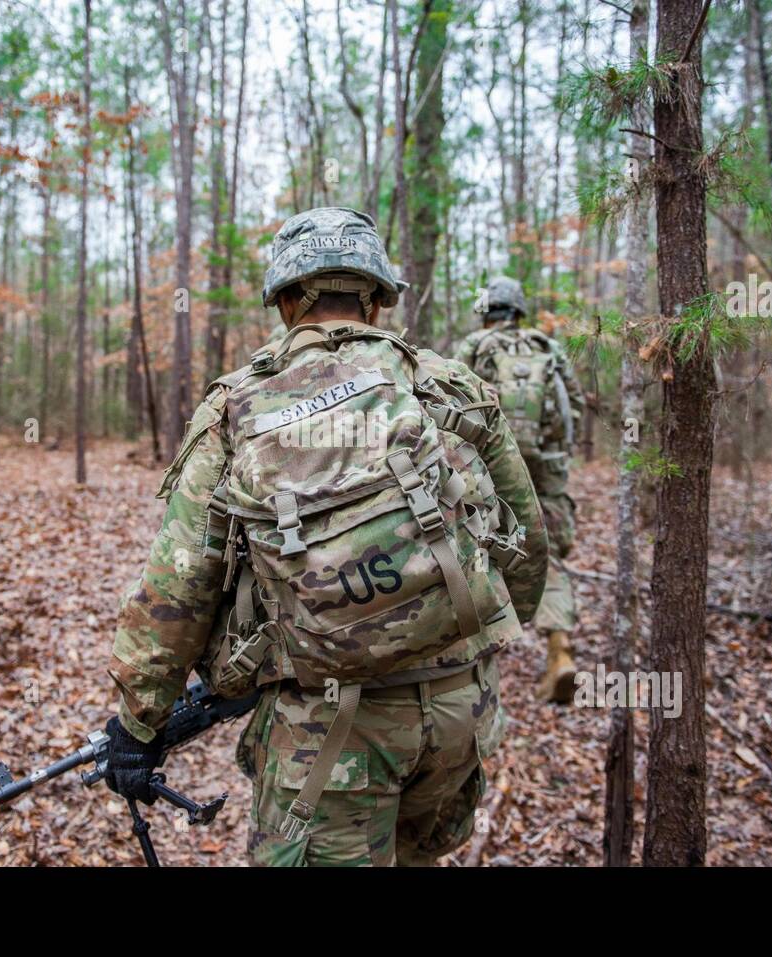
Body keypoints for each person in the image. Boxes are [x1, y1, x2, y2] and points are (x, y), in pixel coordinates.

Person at [100, 207, 549, 866]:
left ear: (285, 299)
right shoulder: (448, 385)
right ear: (374, 296)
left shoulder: (238, 406)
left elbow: (179, 587)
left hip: (330, 738)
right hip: (460, 716)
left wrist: (138, 721)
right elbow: (527, 546)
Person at [457, 276, 584, 703]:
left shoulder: (473, 346)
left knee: (474, 543)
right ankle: (559, 647)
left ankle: (476, 653)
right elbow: (576, 410)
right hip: (546, 467)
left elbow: (448, 405)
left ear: (487, 312)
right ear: (519, 310)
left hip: (489, 462)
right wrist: (555, 458)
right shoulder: (548, 348)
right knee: (546, 549)